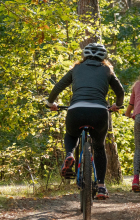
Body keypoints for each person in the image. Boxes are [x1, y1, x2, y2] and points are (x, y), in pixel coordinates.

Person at [46, 43, 124, 199]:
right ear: (104, 57)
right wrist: (118, 105)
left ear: (84, 56)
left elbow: (58, 86)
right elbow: (120, 91)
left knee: (71, 135)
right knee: (99, 147)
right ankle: (101, 186)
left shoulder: (76, 69)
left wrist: (50, 103)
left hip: (76, 110)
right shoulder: (107, 70)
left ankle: (69, 154)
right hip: (100, 112)